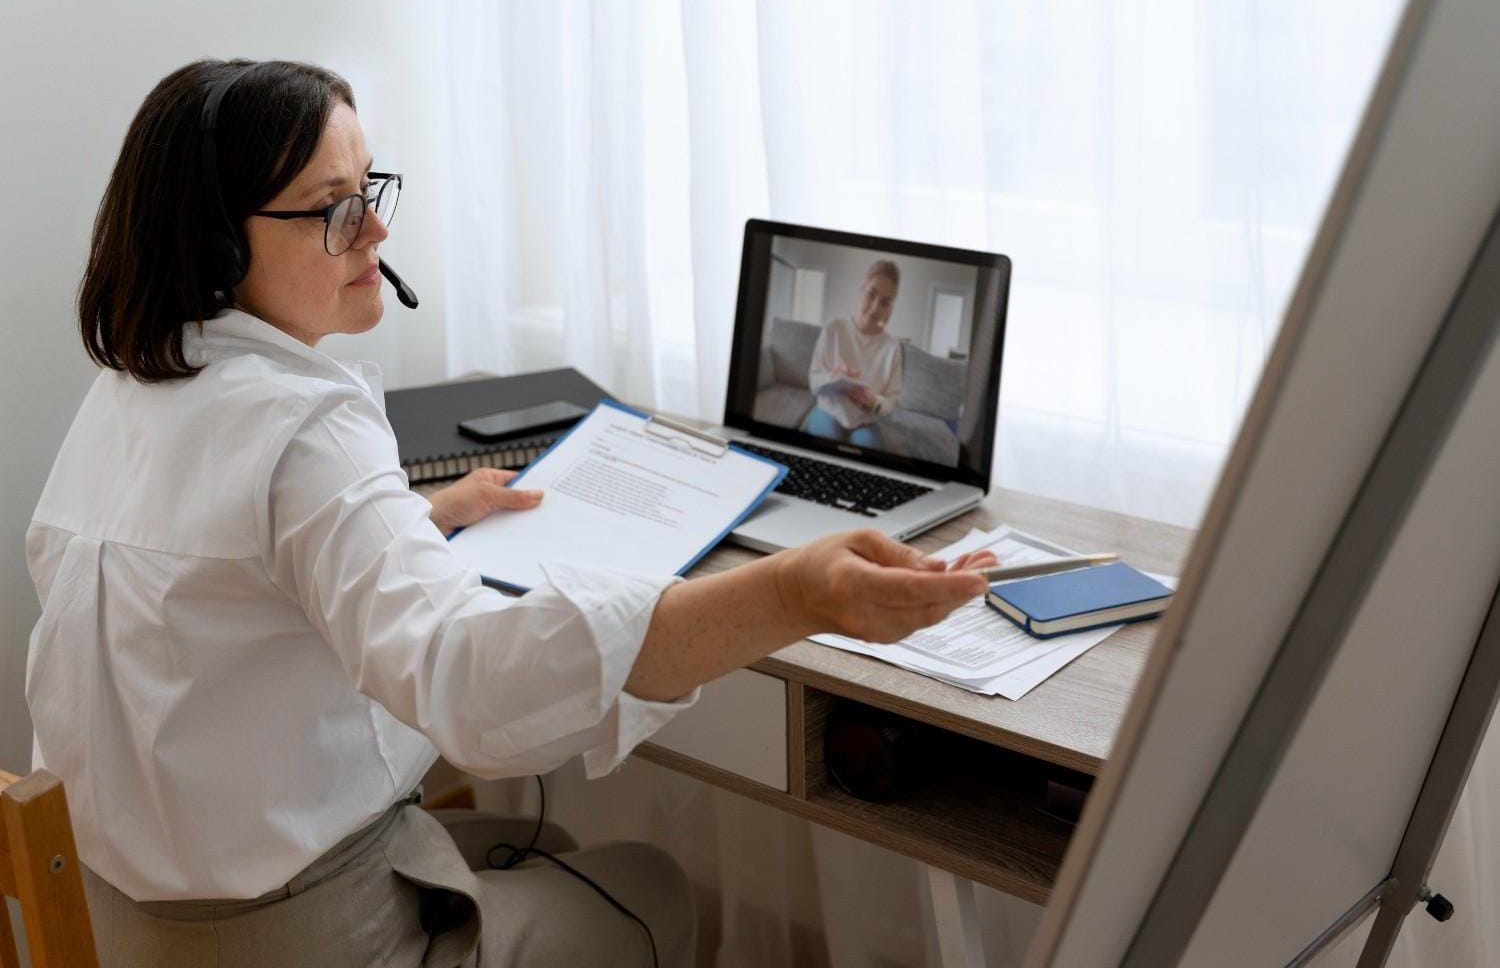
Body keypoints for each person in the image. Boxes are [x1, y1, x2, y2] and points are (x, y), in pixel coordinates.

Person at [24, 59, 995, 968]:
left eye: (372, 190)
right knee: (648, 886)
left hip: (133, 927)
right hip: (301, 935)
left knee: (551, 841)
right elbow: (474, 689)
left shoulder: (123, 397)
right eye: (333, 208)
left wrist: (416, 517)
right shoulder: (307, 429)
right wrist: (791, 587)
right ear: (218, 246)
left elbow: (225, 575)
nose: (375, 232)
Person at [804, 259, 905, 449]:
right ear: (862, 289)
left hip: (866, 421)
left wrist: (875, 403)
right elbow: (814, 382)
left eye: (885, 302)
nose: (875, 308)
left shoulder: (893, 348)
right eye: (871, 294)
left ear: (891, 307)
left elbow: (893, 400)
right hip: (828, 411)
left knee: (866, 451)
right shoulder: (834, 328)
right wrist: (835, 377)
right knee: (826, 447)